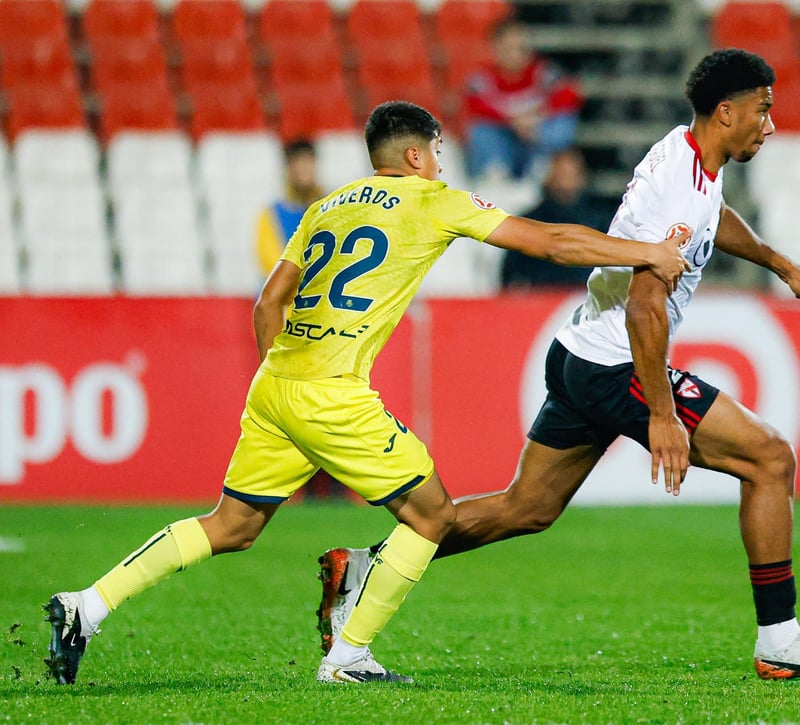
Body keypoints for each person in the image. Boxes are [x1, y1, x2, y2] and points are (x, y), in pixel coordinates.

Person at [43, 100, 691, 687]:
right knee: (432, 513)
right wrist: (647, 253)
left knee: (231, 524)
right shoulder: (433, 200)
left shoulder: (329, 204)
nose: (439, 163)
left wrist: (287, 380)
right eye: (435, 151)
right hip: (331, 394)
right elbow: (549, 241)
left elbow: (270, 300)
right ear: (414, 156)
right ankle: (348, 654)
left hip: (277, 382)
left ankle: (88, 604)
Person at [317, 50, 800, 680]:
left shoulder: (689, 154)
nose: (770, 125)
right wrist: (662, 414)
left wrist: (784, 266)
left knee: (526, 509)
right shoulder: (680, 189)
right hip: (618, 365)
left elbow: (712, 218)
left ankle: (365, 570)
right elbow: (646, 307)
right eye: (764, 110)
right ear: (728, 112)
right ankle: (781, 641)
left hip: (579, 354)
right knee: (770, 458)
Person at [464, 20, 582, 180]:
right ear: (495, 49)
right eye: (507, 49)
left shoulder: (542, 73)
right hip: (504, 138)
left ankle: (546, 169)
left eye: (520, 49)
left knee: (562, 124)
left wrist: (538, 118)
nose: (514, 55)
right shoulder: (484, 79)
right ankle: (495, 174)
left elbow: (570, 93)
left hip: (537, 136)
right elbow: (475, 105)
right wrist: (512, 121)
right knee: (481, 131)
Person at [500, 147, 613, 290]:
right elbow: (510, 276)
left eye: (570, 175)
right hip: (541, 302)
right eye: (560, 175)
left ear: (581, 177)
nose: (565, 183)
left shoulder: (600, 221)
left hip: (589, 299)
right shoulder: (529, 223)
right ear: (549, 176)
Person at [256, 138, 325, 277]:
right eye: (299, 164)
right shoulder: (271, 215)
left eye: (308, 163)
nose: (305, 169)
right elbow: (273, 266)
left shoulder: (331, 208)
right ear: (288, 170)